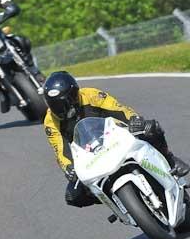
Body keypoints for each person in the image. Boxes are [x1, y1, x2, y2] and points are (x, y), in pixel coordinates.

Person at [42, 71, 190, 207]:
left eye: (65, 102)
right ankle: (116, 200)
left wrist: (134, 120)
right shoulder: (50, 121)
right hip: (88, 153)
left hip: (115, 134)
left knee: (151, 128)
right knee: (73, 196)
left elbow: (118, 109)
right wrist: (69, 167)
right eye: (55, 105)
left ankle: (169, 160)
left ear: (75, 94)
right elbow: (60, 150)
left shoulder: (91, 95)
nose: (62, 109)